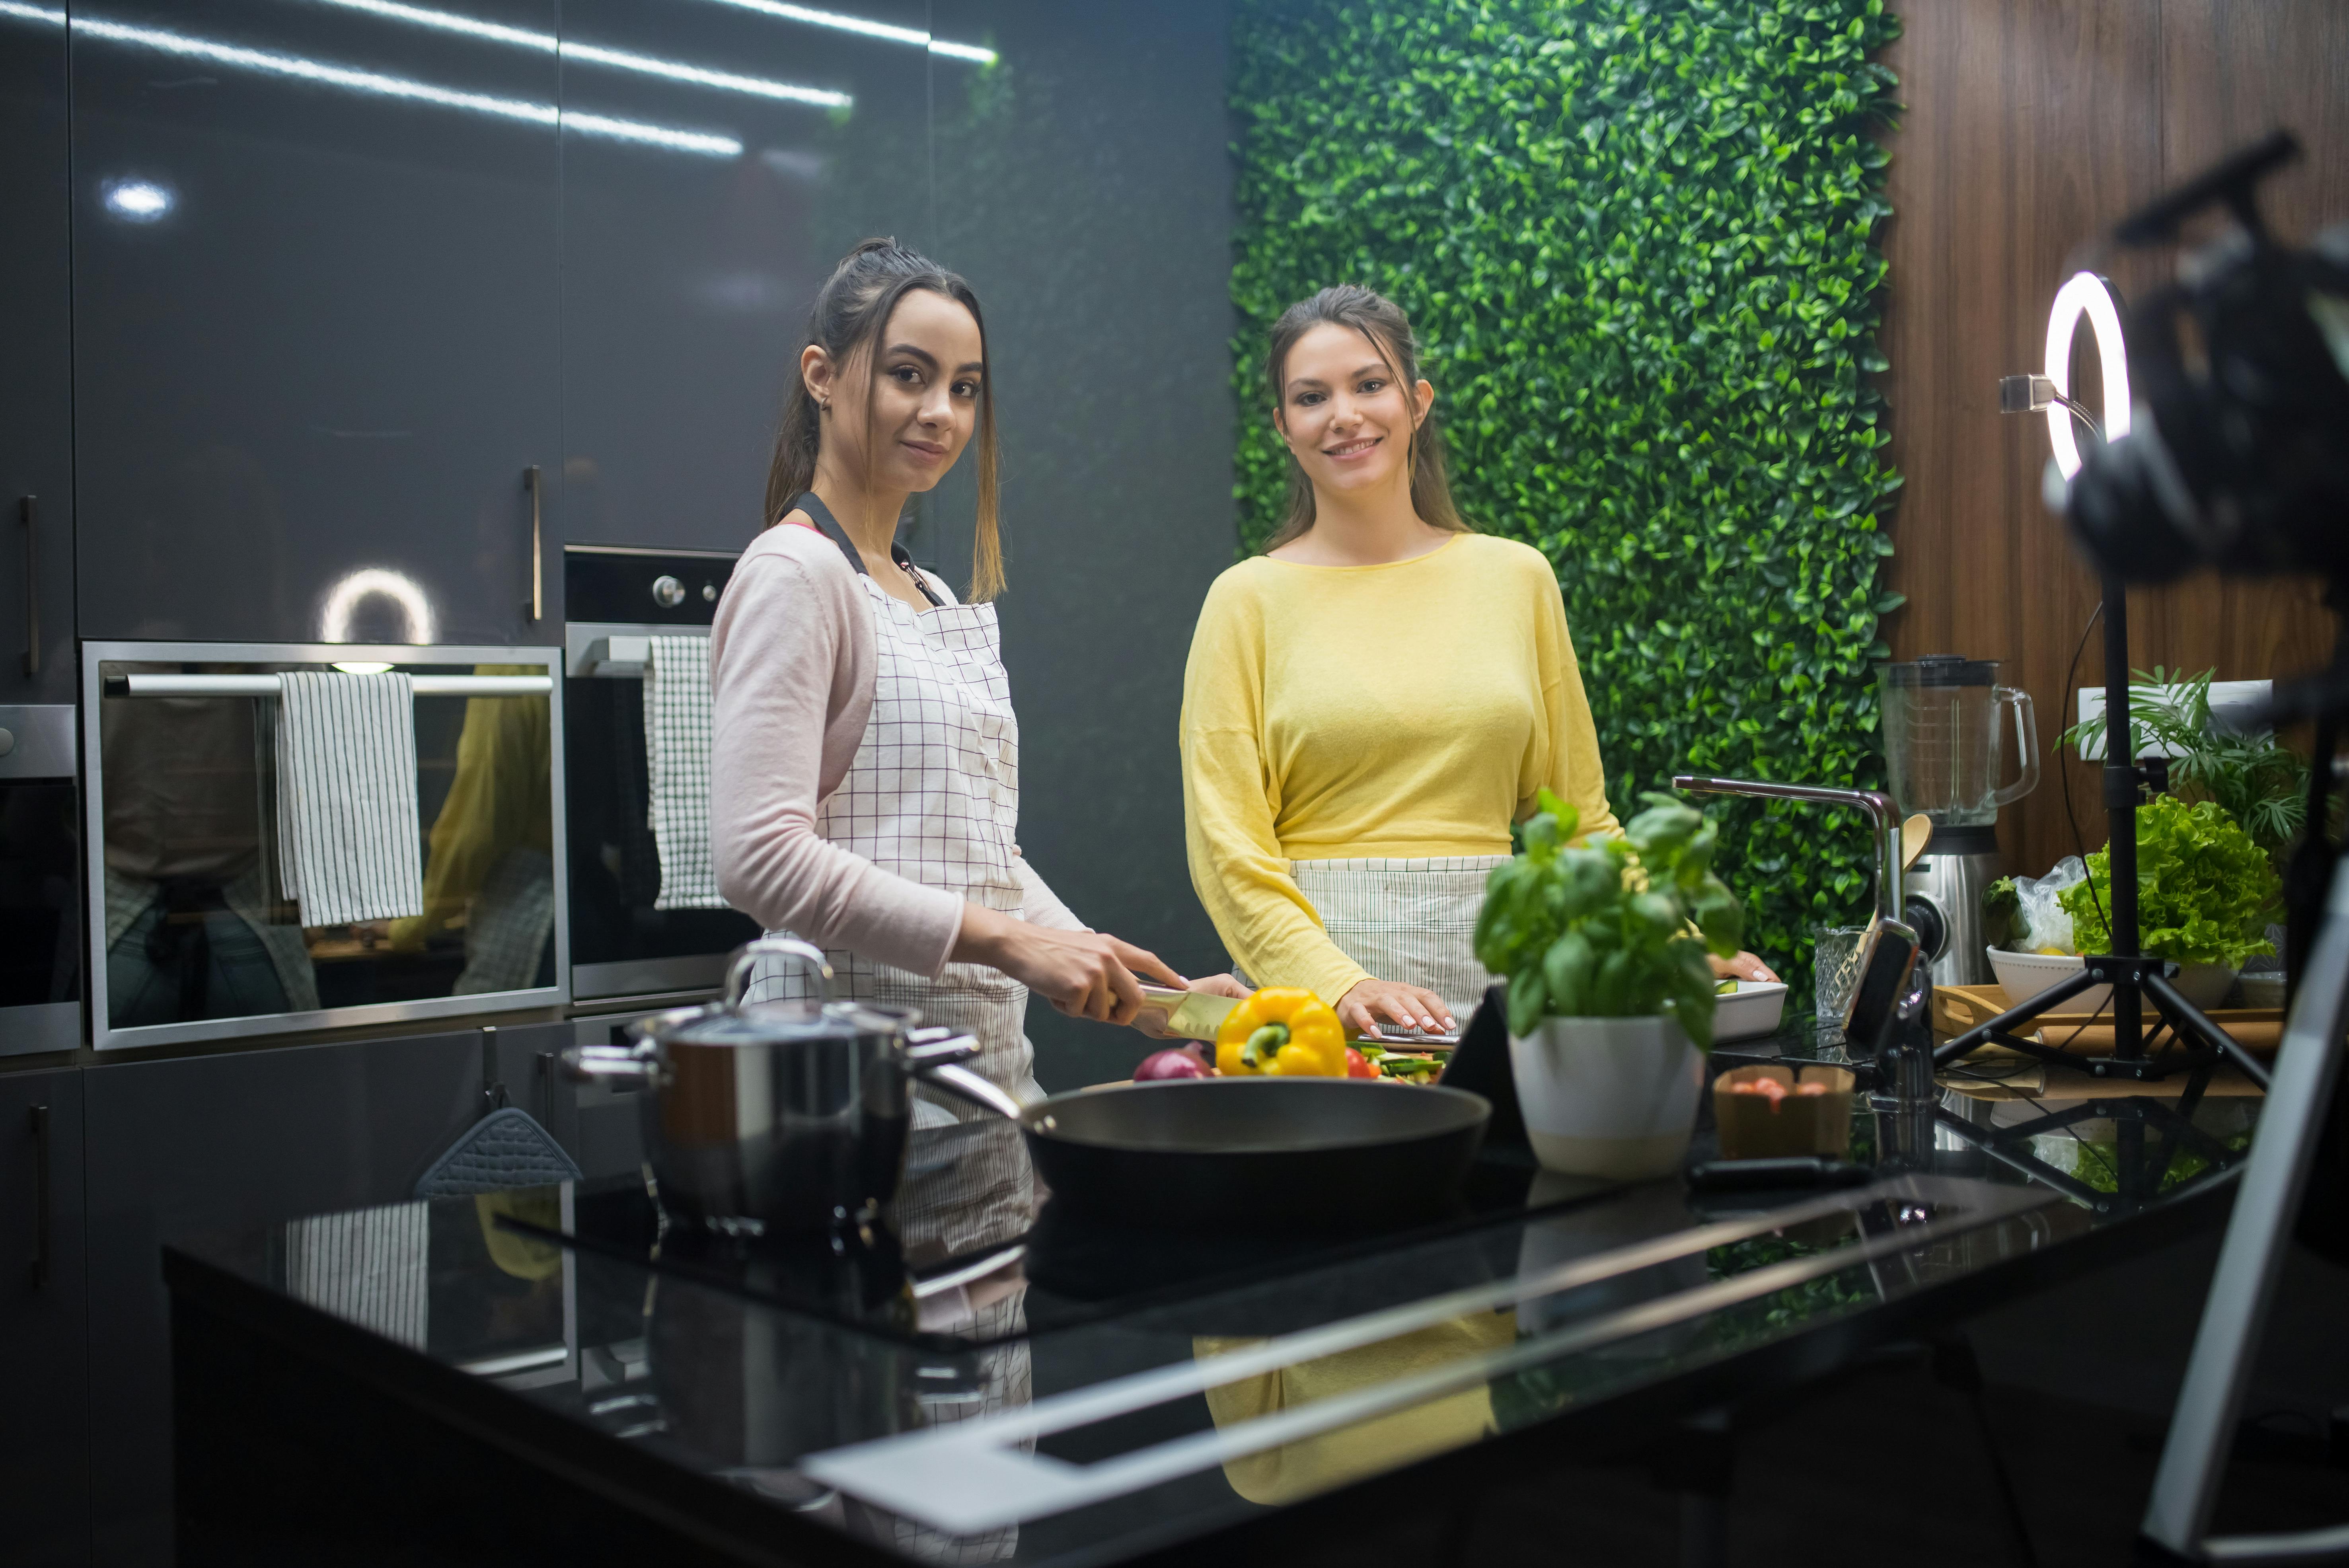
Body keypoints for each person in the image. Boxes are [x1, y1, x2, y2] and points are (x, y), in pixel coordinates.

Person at [711, 240, 1233, 1114]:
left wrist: (1142, 996)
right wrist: (1011, 946)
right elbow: (759, 859)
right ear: (822, 376)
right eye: (908, 375)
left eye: (964, 388)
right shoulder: (794, 575)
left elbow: (978, 858)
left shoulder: (932, 592)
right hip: (847, 1092)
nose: (941, 413)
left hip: (983, 1077)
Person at [1180, 284, 1776, 1040]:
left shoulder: (1518, 578)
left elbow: (1579, 824)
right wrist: (1340, 984)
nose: (1345, 415)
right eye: (1311, 397)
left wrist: (1677, 939)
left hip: (1508, 992)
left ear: (1418, 402)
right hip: (1321, 1006)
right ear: (1284, 427)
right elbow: (1229, 855)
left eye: (1370, 385)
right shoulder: (1245, 601)